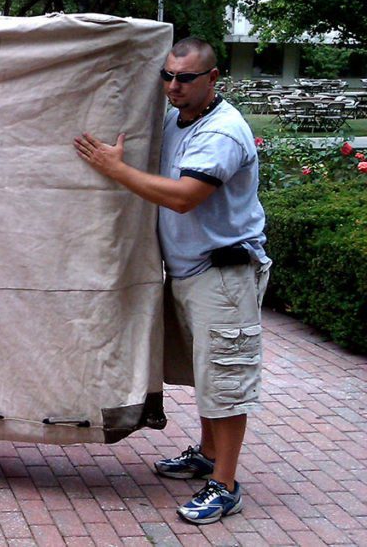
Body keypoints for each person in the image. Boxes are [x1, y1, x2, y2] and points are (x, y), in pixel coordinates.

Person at [74, 37, 270, 525]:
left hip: (223, 276)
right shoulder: (176, 121)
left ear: (213, 78)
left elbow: (184, 197)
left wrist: (115, 170)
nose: (173, 86)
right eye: (168, 76)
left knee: (224, 380)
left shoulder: (223, 132)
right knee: (207, 376)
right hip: (189, 272)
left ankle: (224, 485)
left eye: (186, 78)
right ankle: (206, 456)